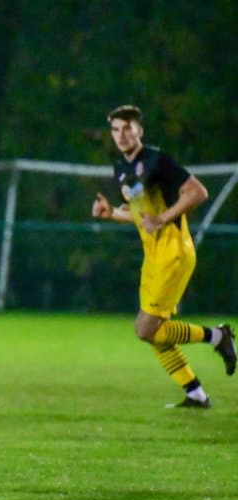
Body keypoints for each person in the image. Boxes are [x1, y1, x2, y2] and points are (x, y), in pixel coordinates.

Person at [91, 104, 235, 408]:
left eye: (127, 128)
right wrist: (111, 213)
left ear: (140, 131)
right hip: (153, 255)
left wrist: (164, 218)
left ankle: (218, 337)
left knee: (146, 329)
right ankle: (195, 394)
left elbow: (198, 192)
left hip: (174, 251)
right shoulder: (121, 169)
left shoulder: (157, 160)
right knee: (152, 332)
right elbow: (142, 215)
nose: (121, 135)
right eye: (116, 129)